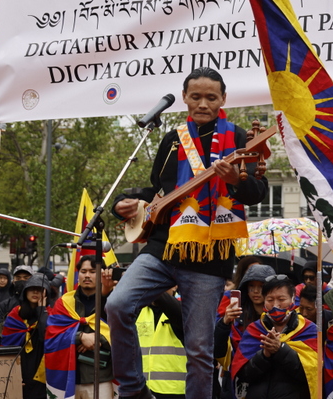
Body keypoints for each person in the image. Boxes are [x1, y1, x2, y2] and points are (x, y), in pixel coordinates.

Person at [108, 67, 269, 399]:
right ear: (184, 98)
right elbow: (158, 190)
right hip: (163, 247)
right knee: (118, 304)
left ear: (223, 99)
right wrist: (125, 202)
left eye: (211, 97)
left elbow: (257, 192)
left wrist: (236, 180)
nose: (203, 104)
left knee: (199, 349)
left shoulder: (240, 138)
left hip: (210, 257)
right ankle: (133, 390)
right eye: (195, 96)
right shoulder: (172, 139)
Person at [234, 275, 318, 399]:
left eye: (281, 299)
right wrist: (264, 355)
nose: (275, 305)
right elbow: (243, 375)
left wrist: (281, 349)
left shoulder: (308, 330)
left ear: (293, 299)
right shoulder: (254, 329)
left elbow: (311, 374)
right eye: (270, 299)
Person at [44, 255, 115, 399]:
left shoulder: (113, 301)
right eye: (83, 271)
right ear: (78, 274)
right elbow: (52, 336)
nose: (87, 275)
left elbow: (122, 334)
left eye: (93, 271)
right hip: (69, 378)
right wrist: (80, 337)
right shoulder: (64, 303)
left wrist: (97, 339)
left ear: (102, 274)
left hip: (102, 379)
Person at [214, 263, 275, 399]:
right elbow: (218, 349)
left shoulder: (279, 318)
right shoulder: (236, 315)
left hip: (268, 383)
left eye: (261, 286)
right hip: (235, 381)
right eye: (251, 286)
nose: (255, 291)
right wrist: (225, 322)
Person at [1, 274, 51, 399]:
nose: (35, 292)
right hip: (19, 373)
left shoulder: (51, 314)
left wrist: (41, 309)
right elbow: (6, 348)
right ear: (25, 291)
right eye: (32, 288)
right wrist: (13, 376)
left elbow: (46, 337)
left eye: (40, 289)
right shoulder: (14, 315)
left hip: (43, 376)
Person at [136, 287, 186, 399]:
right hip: (142, 389)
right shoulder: (139, 309)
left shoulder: (184, 309)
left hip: (174, 391)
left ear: (174, 286)